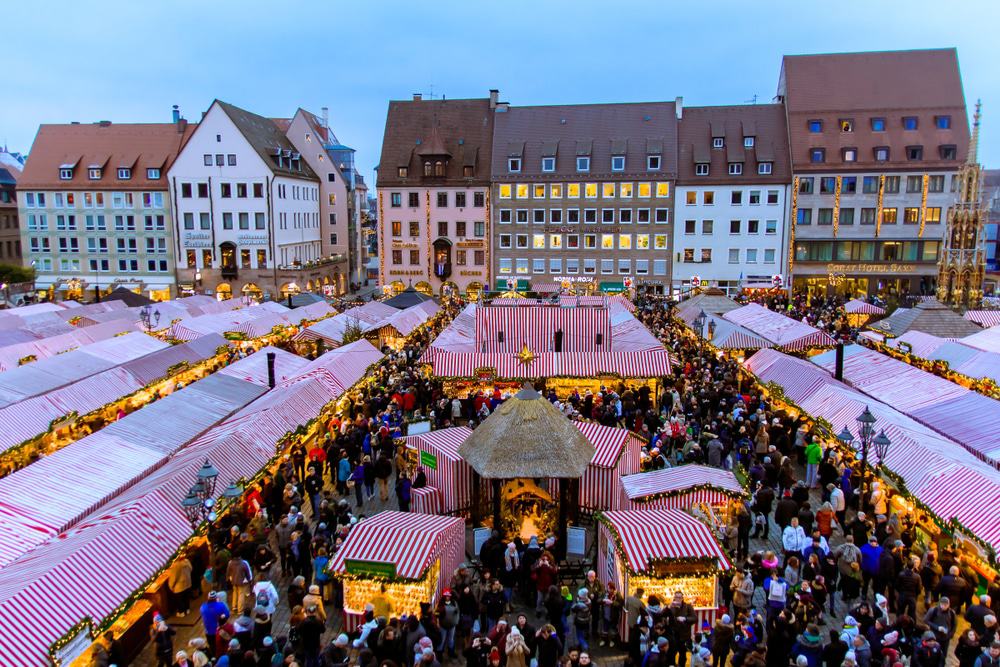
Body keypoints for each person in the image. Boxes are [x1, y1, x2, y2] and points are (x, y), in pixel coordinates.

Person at [200, 591, 230, 658]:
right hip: (218, 631)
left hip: (208, 632)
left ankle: (214, 658)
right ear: (216, 598)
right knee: (221, 646)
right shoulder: (220, 605)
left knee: (212, 646)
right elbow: (227, 614)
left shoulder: (203, 607)